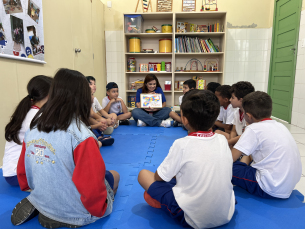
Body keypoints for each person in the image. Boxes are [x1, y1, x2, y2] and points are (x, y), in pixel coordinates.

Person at [12, 68, 120, 228]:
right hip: (76, 213)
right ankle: (63, 213)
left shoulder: (34, 127)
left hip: (42, 198)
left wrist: (32, 189)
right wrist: (99, 209)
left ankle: (40, 203)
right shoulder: (82, 136)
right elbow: (92, 187)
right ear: (83, 98)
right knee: (114, 176)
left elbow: (22, 171)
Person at [138, 90, 235, 228]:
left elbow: (159, 177)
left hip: (191, 217)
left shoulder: (182, 144)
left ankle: (164, 202)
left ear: (184, 119)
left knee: (143, 175)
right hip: (225, 212)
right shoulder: (222, 139)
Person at [231, 91, 302, 198]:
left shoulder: (253, 129)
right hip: (287, 185)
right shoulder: (280, 126)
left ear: (249, 116)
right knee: (247, 159)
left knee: (225, 168)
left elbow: (230, 158)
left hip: (269, 188)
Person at [3, 75, 52, 186]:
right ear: (49, 95)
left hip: (12, 173)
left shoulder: (28, 110)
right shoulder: (37, 116)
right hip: (19, 175)